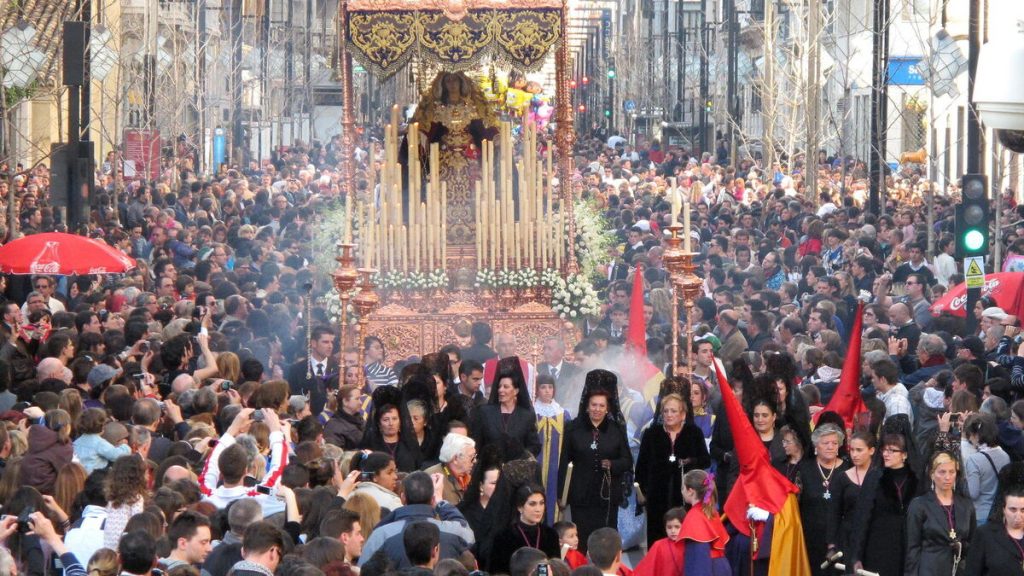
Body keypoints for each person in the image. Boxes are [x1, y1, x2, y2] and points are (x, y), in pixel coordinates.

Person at [557, 369, 633, 553]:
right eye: (594, 405)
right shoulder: (574, 428)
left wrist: (612, 464)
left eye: (601, 406)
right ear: (586, 405)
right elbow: (564, 461)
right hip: (581, 496)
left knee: (606, 542)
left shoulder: (616, 430)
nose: (597, 409)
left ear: (608, 408)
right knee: (581, 541)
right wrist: (561, 494)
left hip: (606, 497)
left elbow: (627, 461)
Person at [634, 390, 710, 545]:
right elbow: (641, 465)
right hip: (657, 497)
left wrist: (690, 461)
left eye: (673, 411)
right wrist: (642, 493)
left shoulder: (693, 433)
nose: (669, 414)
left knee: (682, 539)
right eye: (666, 411)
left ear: (682, 414)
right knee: (658, 540)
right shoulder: (652, 434)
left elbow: (705, 460)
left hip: (685, 498)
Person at [357, 471, 474, 569]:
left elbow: (363, 569)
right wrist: (440, 501)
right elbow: (468, 535)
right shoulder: (451, 530)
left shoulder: (382, 534)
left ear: (402, 498)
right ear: (433, 500)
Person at [905, 451, 977, 576]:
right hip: (929, 569)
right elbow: (912, 547)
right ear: (932, 475)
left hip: (959, 569)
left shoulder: (966, 505)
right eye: (942, 472)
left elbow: (973, 542)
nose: (947, 477)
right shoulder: (919, 505)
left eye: (952, 472)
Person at [795, 423, 849, 576]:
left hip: (841, 538)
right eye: (826, 443)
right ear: (816, 446)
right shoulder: (804, 469)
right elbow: (794, 503)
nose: (831, 447)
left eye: (834, 443)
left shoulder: (848, 469)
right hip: (810, 538)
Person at [470, 357, 541, 456]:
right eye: (499, 386)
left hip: (516, 468)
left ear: (516, 391)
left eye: (506, 387)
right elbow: (476, 443)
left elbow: (534, 446)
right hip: (490, 468)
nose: (500, 390)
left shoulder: (527, 416)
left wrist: (520, 458)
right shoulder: (485, 412)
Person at [488, 483, 561, 574]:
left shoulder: (551, 535)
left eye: (541, 503)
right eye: (532, 504)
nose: (538, 509)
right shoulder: (504, 537)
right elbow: (498, 572)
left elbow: (556, 569)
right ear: (520, 507)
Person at [831, 431, 875, 561]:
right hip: (847, 537)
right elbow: (834, 512)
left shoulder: (881, 477)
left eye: (859, 450)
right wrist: (832, 544)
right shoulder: (842, 478)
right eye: (852, 450)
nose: (854, 454)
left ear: (871, 450)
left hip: (872, 537)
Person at [534, 373, 570, 525]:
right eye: (543, 387)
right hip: (537, 464)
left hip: (556, 466)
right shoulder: (532, 413)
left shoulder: (563, 414)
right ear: (537, 390)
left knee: (554, 496)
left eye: (550, 387)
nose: (547, 391)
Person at [964, 484, 1024, 574]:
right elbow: (972, 571)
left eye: (1023, 510)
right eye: (1013, 510)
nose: (1018, 515)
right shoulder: (985, 534)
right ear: (1004, 509)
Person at [963, 413, 1011, 524]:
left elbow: (973, 493)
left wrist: (962, 482)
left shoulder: (974, 460)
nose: (969, 438)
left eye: (970, 435)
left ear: (976, 435)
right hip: (998, 513)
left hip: (979, 514)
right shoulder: (1005, 456)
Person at [286, 326, 339, 416]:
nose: (330, 346)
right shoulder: (296, 369)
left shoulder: (338, 369)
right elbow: (292, 398)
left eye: (332, 342)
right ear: (313, 343)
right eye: (325, 342)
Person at [423, 433, 477, 506]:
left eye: (475, 456)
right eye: (471, 457)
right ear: (455, 459)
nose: (475, 461)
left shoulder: (470, 477)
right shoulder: (431, 478)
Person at [631, 508, 686, 576]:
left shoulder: (689, 545)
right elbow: (646, 569)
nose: (673, 531)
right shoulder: (658, 546)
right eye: (669, 527)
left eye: (677, 527)